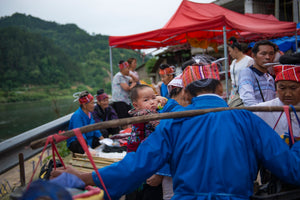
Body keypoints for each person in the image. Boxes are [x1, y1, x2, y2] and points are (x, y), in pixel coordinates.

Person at [126, 84, 163, 200]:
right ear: (135, 105)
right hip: (143, 160)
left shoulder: (137, 113)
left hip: (136, 158)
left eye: (153, 98)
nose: (152, 102)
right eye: (146, 100)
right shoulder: (147, 114)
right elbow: (164, 129)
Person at [254, 65, 300, 138]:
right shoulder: (261, 110)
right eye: (282, 88)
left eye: (293, 88)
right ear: (276, 88)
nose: (288, 94)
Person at [238, 40, 277, 106]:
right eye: (263, 54)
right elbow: (248, 99)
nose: (268, 57)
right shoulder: (247, 73)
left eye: (271, 54)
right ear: (253, 55)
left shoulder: (269, 77)